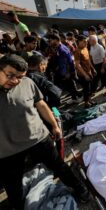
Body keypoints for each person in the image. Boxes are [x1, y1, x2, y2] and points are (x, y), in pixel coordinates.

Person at [0, 55, 89, 209]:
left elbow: (40, 104)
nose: (15, 81)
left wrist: (54, 125)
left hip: (38, 138)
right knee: (13, 185)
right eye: (10, 75)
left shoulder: (28, 83)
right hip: (7, 150)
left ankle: (81, 189)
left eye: (20, 77)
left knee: (59, 166)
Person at [47, 33, 81, 103]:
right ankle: (75, 97)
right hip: (61, 72)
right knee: (68, 86)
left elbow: (70, 61)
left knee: (70, 86)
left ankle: (78, 97)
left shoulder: (62, 50)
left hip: (65, 72)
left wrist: (68, 73)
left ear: (56, 40)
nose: (50, 42)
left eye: (51, 40)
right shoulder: (58, 48)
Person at [74, 35, 97, 108]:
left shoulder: (85, 48)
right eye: (84, 41)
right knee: (86, 89)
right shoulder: (77, 51)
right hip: (83, 74)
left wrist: (93, 68)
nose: (86, 43)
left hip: (89, 71)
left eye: (86, 41)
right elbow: (78, 65)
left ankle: (90, 100)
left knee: (90, 88)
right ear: (79, 42)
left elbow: (88, 60)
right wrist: (85, 75)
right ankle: (86, 103)